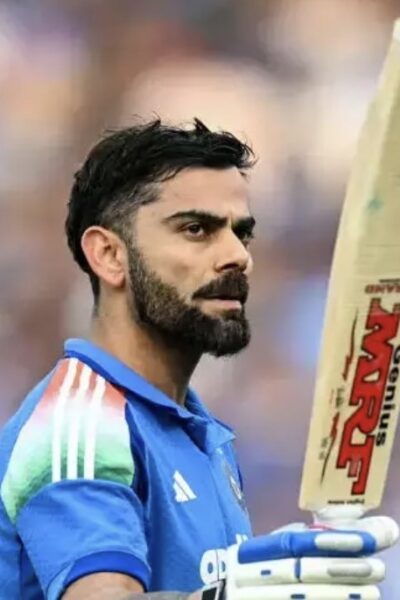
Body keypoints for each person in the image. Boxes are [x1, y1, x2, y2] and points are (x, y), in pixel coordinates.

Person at [0, 119, 397, 600]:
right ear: (108, 255)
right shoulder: (79, 423)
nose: (237, 256)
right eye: (196, 229)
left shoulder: (199, 432)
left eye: (241, 234)